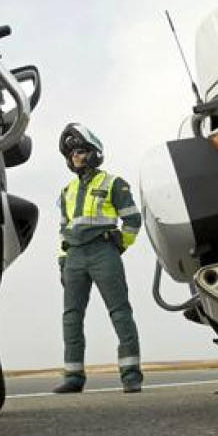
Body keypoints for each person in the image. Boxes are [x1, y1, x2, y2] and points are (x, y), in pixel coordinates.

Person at [53, 123, 143, 394]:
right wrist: (63, 260)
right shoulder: (67, 191)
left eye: (80, 151)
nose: (75, 157)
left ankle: (131, 375)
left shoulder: (113, 183)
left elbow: (133, 219)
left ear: (94, 153)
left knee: (119, 311)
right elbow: (63, 230)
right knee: (71, 316)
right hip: (75, 256)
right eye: (71, 154)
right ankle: (73, 377)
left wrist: (120, 245)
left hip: (104, 251)